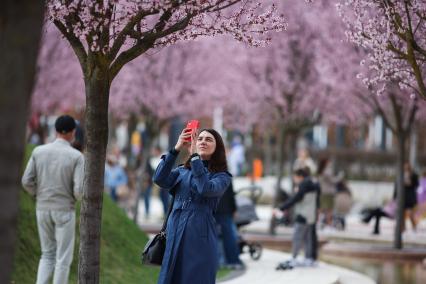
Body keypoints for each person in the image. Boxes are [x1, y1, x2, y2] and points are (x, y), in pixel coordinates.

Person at [153, 127, 231, 284]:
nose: (202, 142)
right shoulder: (183, 170)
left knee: (194, 277)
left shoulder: (222, 176)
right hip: (174, 231)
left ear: (217, 147)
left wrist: (195, 157)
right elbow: (159, 179)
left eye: (208, 140)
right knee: (170, 277)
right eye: (200, 138)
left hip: (199, 233)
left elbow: (205, 188)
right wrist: (175, 149)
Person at [21, 115, 84, 284]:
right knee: (63, 259)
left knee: (47, 254)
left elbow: (26, 181)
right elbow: (79, 190)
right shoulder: (76, 157)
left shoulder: (38, 151)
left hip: (42, 207)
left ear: (55, 131)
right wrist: (73, 198)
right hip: (64, 209)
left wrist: (37, 195)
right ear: (73, 132)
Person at [274, 168, 319, 268]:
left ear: (300, 177)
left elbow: (295, 199)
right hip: (311, 215)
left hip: (302, 215)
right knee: (308, 238)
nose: (294, 179)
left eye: (295, 177)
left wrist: (281, 208)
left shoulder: (303, 185)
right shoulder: (313, 184)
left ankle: (294, 258)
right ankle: (309, 259)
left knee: (297, 237)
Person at [214, 182, 244, 270]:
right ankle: (233, 261)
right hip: (225, 210)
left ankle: (220, 262)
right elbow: (231, 194)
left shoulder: (205, 172)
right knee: (229, 236)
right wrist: (234, 209)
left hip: (214, 209)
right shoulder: (225, 174)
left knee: (214, 237)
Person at [316, 157, 343, 228]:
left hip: (322, 191)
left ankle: (318, 222)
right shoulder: (327, 171)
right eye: (329, 162)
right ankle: (328, 224)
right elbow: (333, 180)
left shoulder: (320, 170)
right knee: (329, 209)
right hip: (328, 192)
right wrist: (340, 176)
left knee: (321, 208)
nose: (330, 163)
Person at [402, 162, 419, 232]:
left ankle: (414, 226)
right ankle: (403, 228)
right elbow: (396, 185)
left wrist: (410, 183)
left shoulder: (414, 175)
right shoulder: (401, 174)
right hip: (402, 196)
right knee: (401, 213)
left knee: (410, 213)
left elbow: (417, 185)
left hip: (410, 196)